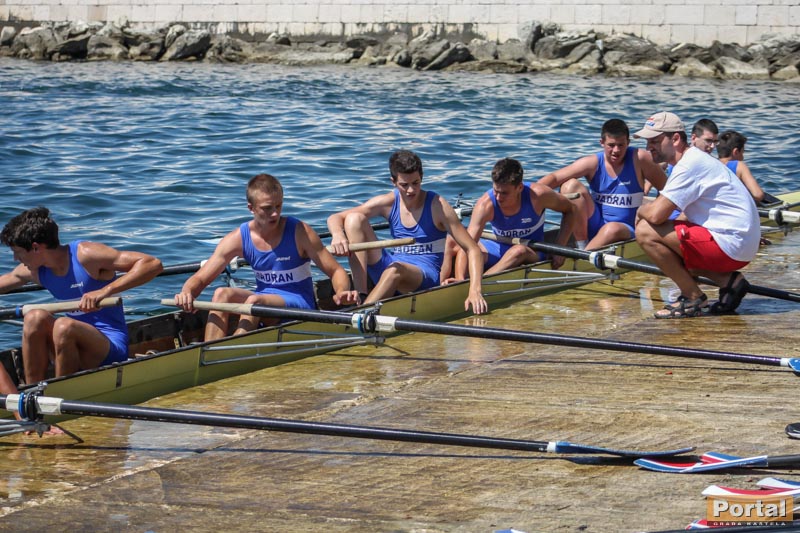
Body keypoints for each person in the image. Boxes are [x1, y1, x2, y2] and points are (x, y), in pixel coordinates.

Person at [174, 174, 358, 341]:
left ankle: (232, 349)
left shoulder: (300, 232)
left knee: (254, 302)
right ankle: (209, 349)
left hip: (299, 303)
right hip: (263, 300)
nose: (275, 213)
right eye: (267, 208)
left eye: (278, 206)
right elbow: (201, 278)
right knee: (222, 293)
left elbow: (336, 271)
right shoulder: (238, 238)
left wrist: (342, 292)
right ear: (251, 208)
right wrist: (187, 292)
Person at [0, 207, 163, 384]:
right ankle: (33, 390)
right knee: (34, 317)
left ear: (35, 248)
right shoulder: (36, 271)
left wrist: (105, 291)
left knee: (64, 325)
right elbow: (5, 281)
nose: (15, 258)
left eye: (17, 252)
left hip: (108, 347)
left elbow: (152, 264)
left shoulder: (85, 255)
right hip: (69, 343)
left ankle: (62, 389)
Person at [327, 149, 488, 314]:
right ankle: (361, 295)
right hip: (392, 263)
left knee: (395, 270)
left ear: (421, 178)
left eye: (416, 183)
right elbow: (335, 217)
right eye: (404, 185)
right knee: (354, 219)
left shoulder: (437, 206)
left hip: (424, 275)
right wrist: (338, 235)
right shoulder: (389, 202)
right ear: (393, 182)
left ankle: (359, 314)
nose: (411, 190)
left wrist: (475, 290)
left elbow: (472, 249)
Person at [634, 111, 760, 318]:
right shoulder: (694, 159)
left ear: (675, 139)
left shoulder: (689, 165)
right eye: (648, 142)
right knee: (669, 244)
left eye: (655, 141)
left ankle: (693, 297)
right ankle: (728, 281)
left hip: (732, 244)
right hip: (741, 242)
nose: (649, 147)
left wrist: (640, 209)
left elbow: (656, 216)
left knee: (646, 231)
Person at [537, 118, 667, 250]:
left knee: (611, 228)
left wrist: (657, 219)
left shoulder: (640, 158)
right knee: (570, 186)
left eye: (621, 145)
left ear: (628, 143)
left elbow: (667, 189)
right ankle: (582, 246)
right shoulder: (592, 162)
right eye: (611, 145)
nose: (616, 150)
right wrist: (530, 195)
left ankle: (583, 256)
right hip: (596, 223)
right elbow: (554, 177)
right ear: (602, 143)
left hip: (626, 228)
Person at [451, 157, 577, 279]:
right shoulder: (485, 205)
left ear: (520, 188)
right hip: (499, 247)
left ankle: (480, 283)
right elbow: (468, 246)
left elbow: (571, 210)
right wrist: (460, 278)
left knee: (518, 251)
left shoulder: (538, 196)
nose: (498, 198)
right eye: (496, 191)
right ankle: (456, 282)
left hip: (532, 250)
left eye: (504, 193)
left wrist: (560, 247)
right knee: (453, 243)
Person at [717, 130, 765, 204]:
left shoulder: (710, 164)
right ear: (736, 152)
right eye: (742, 152)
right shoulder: (739, 166)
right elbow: (758, 195)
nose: (743, 157)